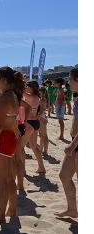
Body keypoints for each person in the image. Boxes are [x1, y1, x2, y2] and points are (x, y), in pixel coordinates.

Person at [0, 67, 24, 223]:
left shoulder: (5, 97)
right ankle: (12, 210)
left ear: (3, 80)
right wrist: (15, 130)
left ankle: (0, 215)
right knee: (9, 178)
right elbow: (14, 119)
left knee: (1, 181)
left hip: (1, 139)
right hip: (9, 138)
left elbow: (0, 125)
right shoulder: (13, 95)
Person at [54, 68, 78, 218]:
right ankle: (72, 209)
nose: (68, 82)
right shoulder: (78, 97)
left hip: (77, 144)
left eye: (70, 79)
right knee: (64, 175)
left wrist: (73, 145)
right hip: (75, 143)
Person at [38, 87, 49, 154]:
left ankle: (44, 150)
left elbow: (42, 109)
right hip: (42, 116)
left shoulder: (42, 99)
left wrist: (38, 116)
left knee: (43, 135)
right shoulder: (44, 98)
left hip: (42, 117)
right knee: (43, 135)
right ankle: (43, 150)